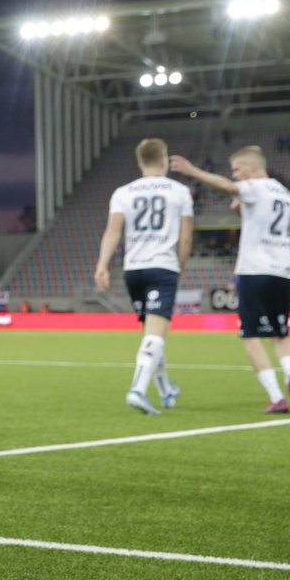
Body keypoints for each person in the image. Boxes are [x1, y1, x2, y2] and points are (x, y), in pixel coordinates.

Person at [171, 146, 290, 413]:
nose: (235, 176)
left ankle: (276, 396)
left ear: (252, 168)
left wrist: (193, 171)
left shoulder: (255, 186)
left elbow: (228, 189)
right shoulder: (284, 194)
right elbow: (261, 223)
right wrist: (241, 212)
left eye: (237, 170)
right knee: (280, 334)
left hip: (254, 270)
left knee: (251, 335)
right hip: (282, 271)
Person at [93, 138, 194, 415]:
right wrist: (180, 266)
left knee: (151, 333)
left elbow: (113, 232)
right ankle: (137, 390)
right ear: (164, 161)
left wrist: (102, 264)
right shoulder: (181, 191)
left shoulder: (123, 192)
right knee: (156, 336)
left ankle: (165, 390)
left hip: (133, 269)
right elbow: (185, 237)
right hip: (162, 266)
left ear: (140, 163)